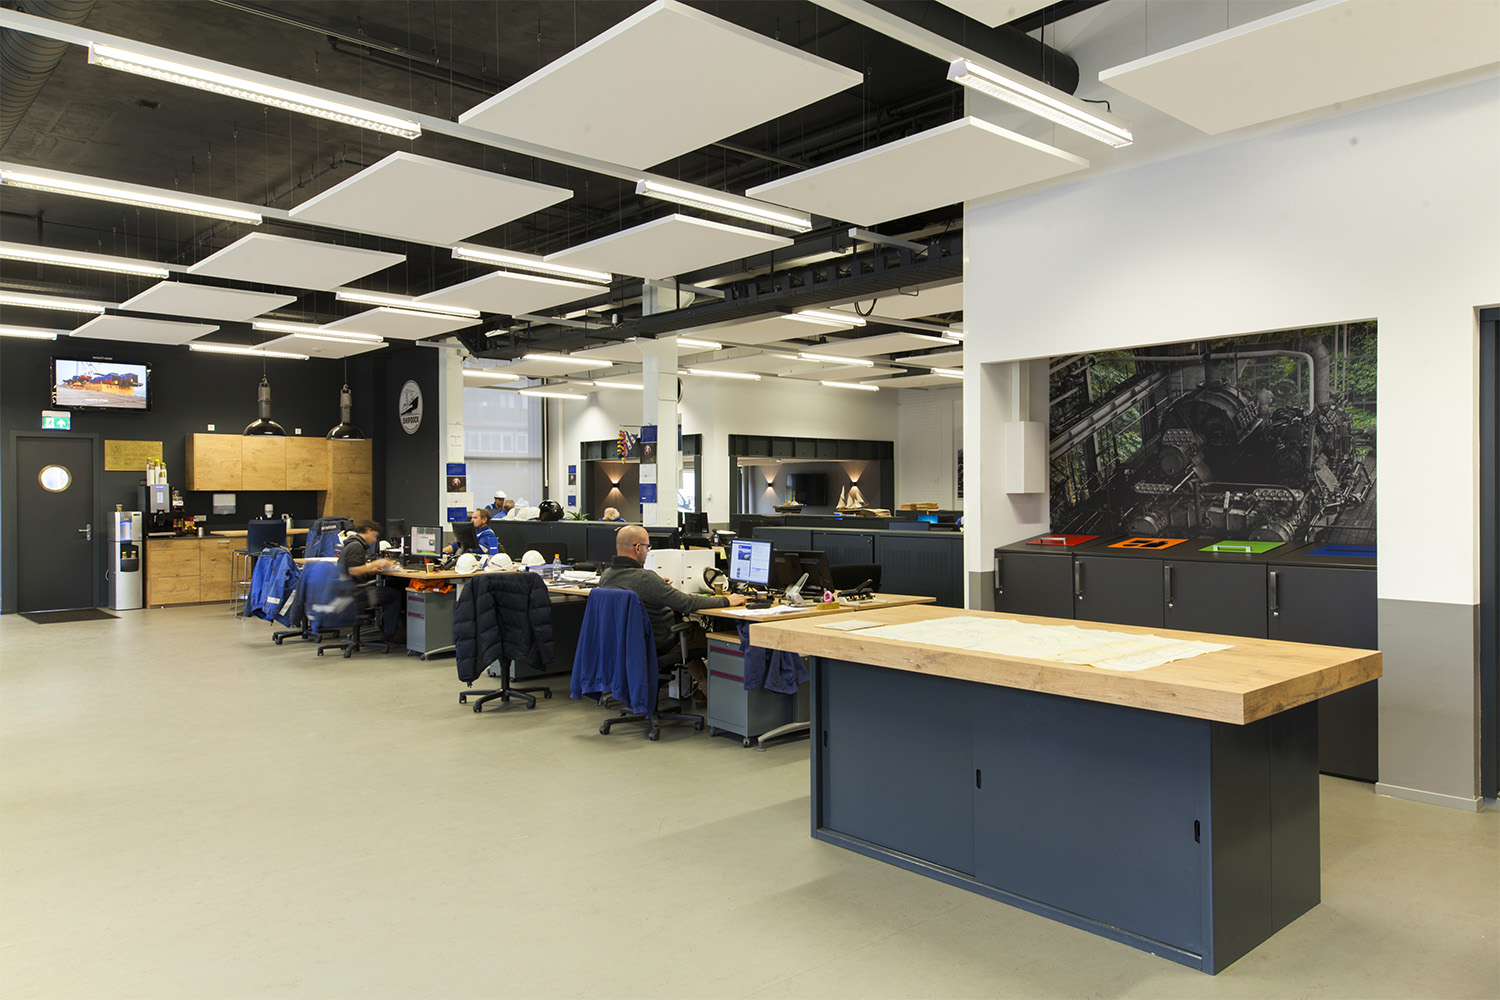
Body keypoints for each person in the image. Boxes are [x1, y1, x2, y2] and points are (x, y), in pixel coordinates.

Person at [599, 524, 745, 702]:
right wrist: (727, 600)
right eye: (647, 547)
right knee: (716, 640)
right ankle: (727, 699)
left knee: (688, 640)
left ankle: (706, 692)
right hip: (661, 641)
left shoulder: (607, 576)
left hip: (629, 642)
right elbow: (687, 603)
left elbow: (635, 588)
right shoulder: (645, 578)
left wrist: (657, 585)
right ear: (637, 548)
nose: (648, 551)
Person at [339, 519, 403, 640]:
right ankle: (389, 634)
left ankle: (387, 628)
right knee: (394, 594)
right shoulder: (356, 546)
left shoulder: (351, 544)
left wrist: (372, 569)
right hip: (356, 592)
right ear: (368, 530)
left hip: (347, 590)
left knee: (389, 591)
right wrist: (374, 564)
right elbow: (353, 571)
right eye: (374, 536)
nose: (374, 540)